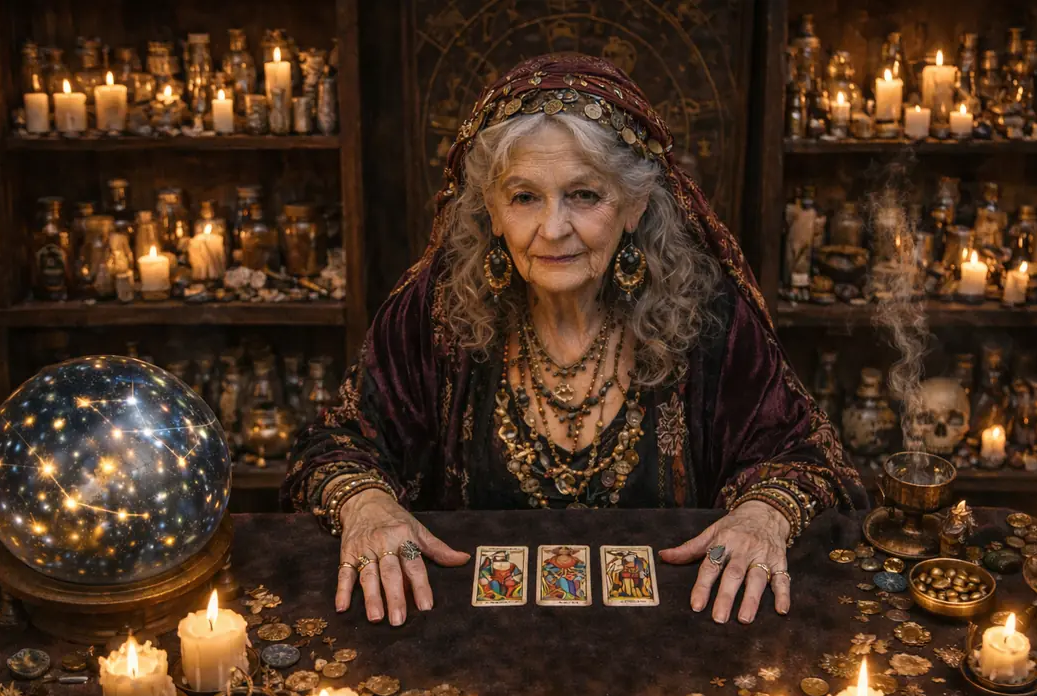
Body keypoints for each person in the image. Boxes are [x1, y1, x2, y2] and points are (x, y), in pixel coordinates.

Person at [282, 54, 865, 627]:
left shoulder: (705, 311)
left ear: (634, 204)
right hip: (471, 640)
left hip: (675, 638)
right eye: (524, 197)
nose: (553, 228)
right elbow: (336, 442)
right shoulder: (438, 308)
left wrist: (763, 513)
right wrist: (367, 504)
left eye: (584, 195)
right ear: (491, 210)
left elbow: (804, 452)